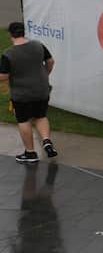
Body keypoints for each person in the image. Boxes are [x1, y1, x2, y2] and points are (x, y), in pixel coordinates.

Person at [2, 21, 56, 164]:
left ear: (10, 34)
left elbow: (4, 76)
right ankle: (46, 141)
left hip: (22, 94)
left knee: (24, 120)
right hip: (42, 90)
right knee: (41, 116)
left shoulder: (8, 53)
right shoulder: (38, 45)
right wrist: (45, 74)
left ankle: (30, 153)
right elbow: (50, 61)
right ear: (23, 32)